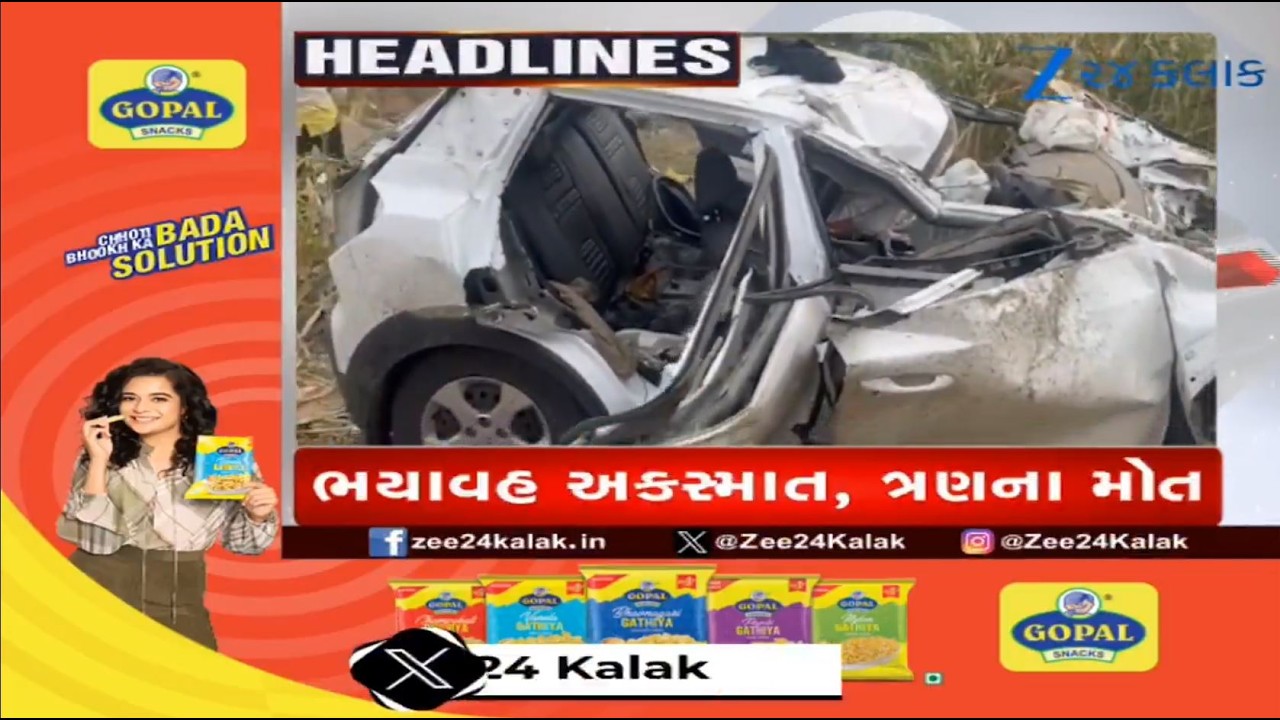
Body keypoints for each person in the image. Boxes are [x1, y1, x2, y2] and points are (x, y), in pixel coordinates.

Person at [55, 357, 279, 651]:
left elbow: (246, 546)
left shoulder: (223, 460)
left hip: (178, 596)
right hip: (97, 589)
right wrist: (98, 461)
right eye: (130, 398)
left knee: (190, 677)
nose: (140, 408)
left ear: (184, 407)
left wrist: (257, 515)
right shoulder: (101, 456)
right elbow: (94, 541)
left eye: (158, 398)